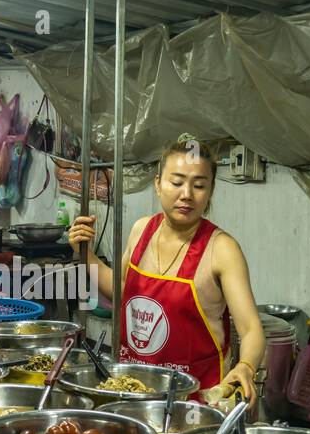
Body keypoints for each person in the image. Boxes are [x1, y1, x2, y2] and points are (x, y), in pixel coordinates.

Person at [67, 136, 265, 402]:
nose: (187, 194)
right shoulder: (141, 231)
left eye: (199, 185)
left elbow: (251, 329)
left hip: (195, 403)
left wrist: (246, 366)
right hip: (133, 392)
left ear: (210, 191)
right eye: (177, 182)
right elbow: (123, 293)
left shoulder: (221, 249)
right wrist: (83, 253)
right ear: (158, 185)